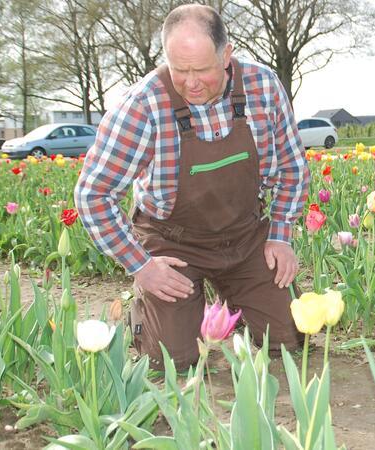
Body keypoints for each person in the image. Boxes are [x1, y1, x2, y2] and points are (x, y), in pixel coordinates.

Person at [74, 4, 309, 370]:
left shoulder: (263, 86)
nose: (191, 82)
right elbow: (92, 194)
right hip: (174, 242)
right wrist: (142, 266)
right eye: (179, 70)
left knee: (291, 337)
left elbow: (292, 166)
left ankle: (237, 303)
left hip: (245, 236)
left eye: (201, 69)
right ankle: (144, 317)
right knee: (172, 359)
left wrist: (280, 234)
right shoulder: (143, 105)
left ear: (227, 55)